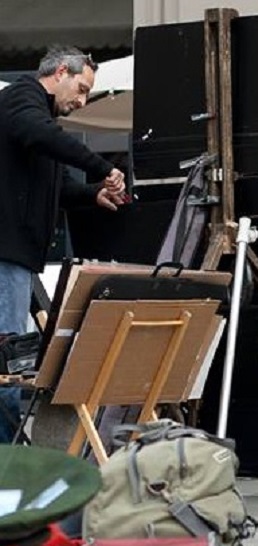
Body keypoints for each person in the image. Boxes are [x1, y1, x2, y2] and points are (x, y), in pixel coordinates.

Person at [0, 46, 127, 441]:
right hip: (6, 254)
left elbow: (56, 187)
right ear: (59, 72)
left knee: (11, 359)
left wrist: (93, 193)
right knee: (7, 362)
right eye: (82, 88)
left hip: (15, 254)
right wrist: (103, 167)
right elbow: (42, 136)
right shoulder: (24, 97)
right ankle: (8, 461)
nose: (83, 99)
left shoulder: (38, 120)